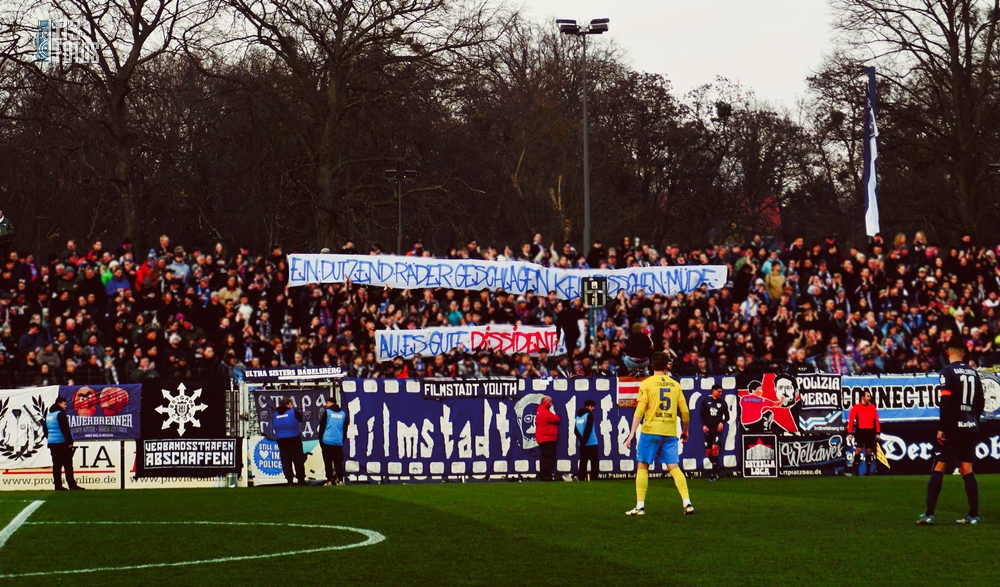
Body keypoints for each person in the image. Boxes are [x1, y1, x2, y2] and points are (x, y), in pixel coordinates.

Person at [917, 344, 985, 525]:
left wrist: (942, 427)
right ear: (963, 354)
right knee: (967, 469)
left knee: (939, 467)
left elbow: (945, 401)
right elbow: (981, 401)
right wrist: (972, 419)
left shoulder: (946, 371)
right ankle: (973, 515)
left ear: (948, 353)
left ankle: (929, 514)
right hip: (971, 426)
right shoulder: (973, 372)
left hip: (953, 427)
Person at [624, 351, 693, 516]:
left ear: (651, 366)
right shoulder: (675, 385)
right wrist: (685, 430)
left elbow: (640, 410)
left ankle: (640, 506)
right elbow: (685, 411)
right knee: (674, 467)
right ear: (667, 366)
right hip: (669, 431)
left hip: (650, 430)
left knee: (643, 466)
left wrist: (632, 433)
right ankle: (687, 502)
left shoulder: (647, 384)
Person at [44, 396, 84, 490]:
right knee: (67, 464)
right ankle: (72, 485)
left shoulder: (49, 415)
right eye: (64, 404)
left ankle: (58, 485)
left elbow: (45, 429)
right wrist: (70, 441)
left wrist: (50, 438)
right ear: (59, 404)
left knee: (56, 465)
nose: (65, 406)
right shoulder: (60, 414)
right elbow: (65, 429)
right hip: (62, 442)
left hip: (52, 443)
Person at [272, 397, 306, 485]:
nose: (292, 406)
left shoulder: (275, 414)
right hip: (294, 440)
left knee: (286, 462)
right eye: (291, 404)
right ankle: (300, 480)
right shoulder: (293, 412)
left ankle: (289, 480)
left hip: (281, 441)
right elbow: (300, 418)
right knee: (298, 461)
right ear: (288, 405)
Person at [846, 390, 881, 476]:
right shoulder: (856, 407)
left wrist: (877, 432)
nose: (870, 397)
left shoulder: (872, 407)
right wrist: (849, 433)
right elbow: (851, 421)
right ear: (863, 397)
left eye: (870, 396)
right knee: (858, 450)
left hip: (870, 431)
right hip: (860, 431)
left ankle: (868, 471)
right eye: (868, 396)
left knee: (869, 451)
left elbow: (876, 420)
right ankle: (856, 470)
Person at [700, 384, 730, 481]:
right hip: (708, 429)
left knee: (715, 448)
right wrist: (704, 425)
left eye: (721, 392)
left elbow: (727, 416)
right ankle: (717, 467)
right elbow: (701, 415)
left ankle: (713, 475)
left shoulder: (723, 403)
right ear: (713, 391)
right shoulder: (705, 401)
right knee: (708, 453)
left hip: (717, 430)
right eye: (719, 391)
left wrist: (722, 422)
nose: (720, 393)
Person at [318, 397, 347, 486]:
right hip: (338, 442)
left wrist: (321, 441)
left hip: (327, 441)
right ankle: (341, 480)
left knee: (328, 462)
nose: (326, 405)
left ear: (331, 403)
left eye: (327, 403)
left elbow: (322, 427)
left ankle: (329, 480)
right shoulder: (343, 414)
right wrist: (341, 439)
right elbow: (345, 429)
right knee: (338, 462)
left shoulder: (327, 412)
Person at [535, 395, 560, 481]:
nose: (551, 403)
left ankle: (545, 475)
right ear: (546, 402)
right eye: (550, 401)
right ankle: (546, 476)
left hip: (546, 438)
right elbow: (556, 419)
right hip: (546, 438)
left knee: (546, 457)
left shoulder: (541, 410)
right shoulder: (544, 412)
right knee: (547, 458)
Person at [574, 399, 598, 481]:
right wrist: (585, 440)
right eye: (591, 406)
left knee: (583, 461)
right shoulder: (589, 415)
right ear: (587, 407)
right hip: (591, 442)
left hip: (581, 443)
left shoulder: (578, 417)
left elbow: (575, 430)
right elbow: (588, 429)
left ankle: (581, 477)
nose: (593, 408)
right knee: (594, 461)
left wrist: (581, 440)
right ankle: (594, 477)